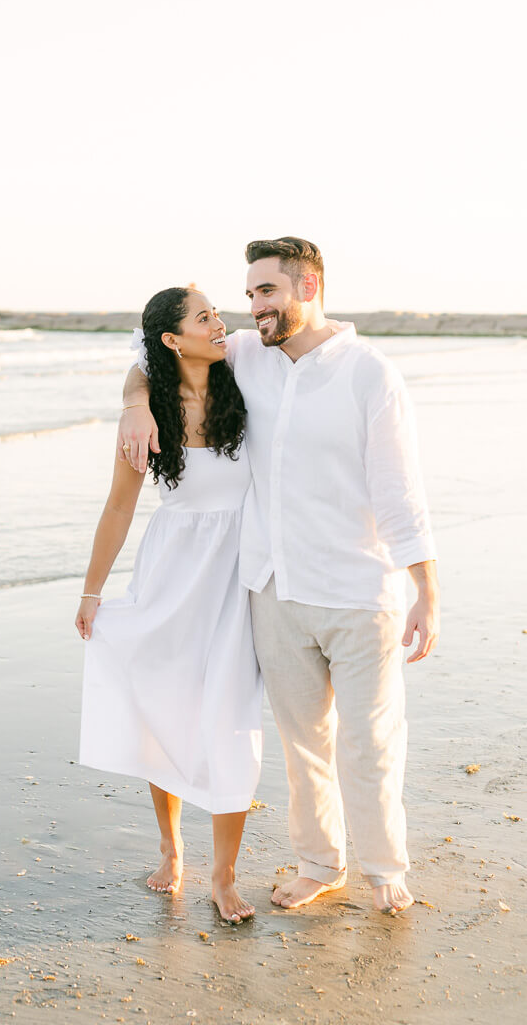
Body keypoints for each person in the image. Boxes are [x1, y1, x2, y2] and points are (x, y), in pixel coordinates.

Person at [119, 238, 439, 916]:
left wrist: (425, 590)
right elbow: (153, 349)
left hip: (359, 590)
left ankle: (383, 869)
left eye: (267, 291)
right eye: (250, 293)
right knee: (303, 745)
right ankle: (321, 861)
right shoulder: (248, 357)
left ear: (309, 285)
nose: (253, 306)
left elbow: (399, 490)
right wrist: (134, 404)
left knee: (371, 741)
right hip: (274, 591)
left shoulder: (368, 373)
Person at [77, 286, 264, 923]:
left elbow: (138, 361)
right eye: (204, 317)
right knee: (166, 710)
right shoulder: (150, 412)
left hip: (239, 577)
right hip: (171, 575)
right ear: (172, 339)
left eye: (217, 312)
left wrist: (129, 393)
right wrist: (92, 590)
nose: (220, 323)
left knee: (233, 719)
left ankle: (226, 874)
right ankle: (171, 848)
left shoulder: (242, 367)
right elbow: (119, 506)